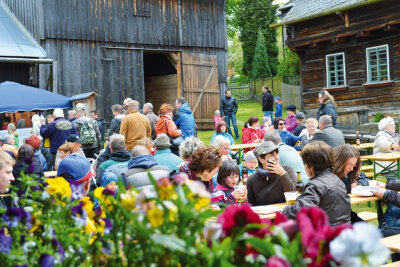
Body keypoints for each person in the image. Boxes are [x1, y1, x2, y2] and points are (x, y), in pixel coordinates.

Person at [283, 141, 351, 226]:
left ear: (311, 166)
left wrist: (285, 210)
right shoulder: (337, 180)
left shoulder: (315, 185)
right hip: (344, 231)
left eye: (305, 163)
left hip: (328, 235)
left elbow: (298, 211)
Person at [247, 141, 296, 206]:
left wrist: (283, 174)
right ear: (261, 159)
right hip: (263, 215)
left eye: (276, 154)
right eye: (271, 155)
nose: (277, 158)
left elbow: (292, 193)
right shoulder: (252, 179)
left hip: (284, 213)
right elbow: (251, 205)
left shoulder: (287, 170)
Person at [333, 144, 370, 224]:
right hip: (332, 219)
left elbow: (365, 179)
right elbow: (330, 190)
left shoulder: (351, 171)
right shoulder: (327, 173)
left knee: (368, 229)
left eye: (354, 165)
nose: (351, 168)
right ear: (339, 161)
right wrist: (349, 188)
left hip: (346, 214)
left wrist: (358, 184)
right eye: (349, 164)